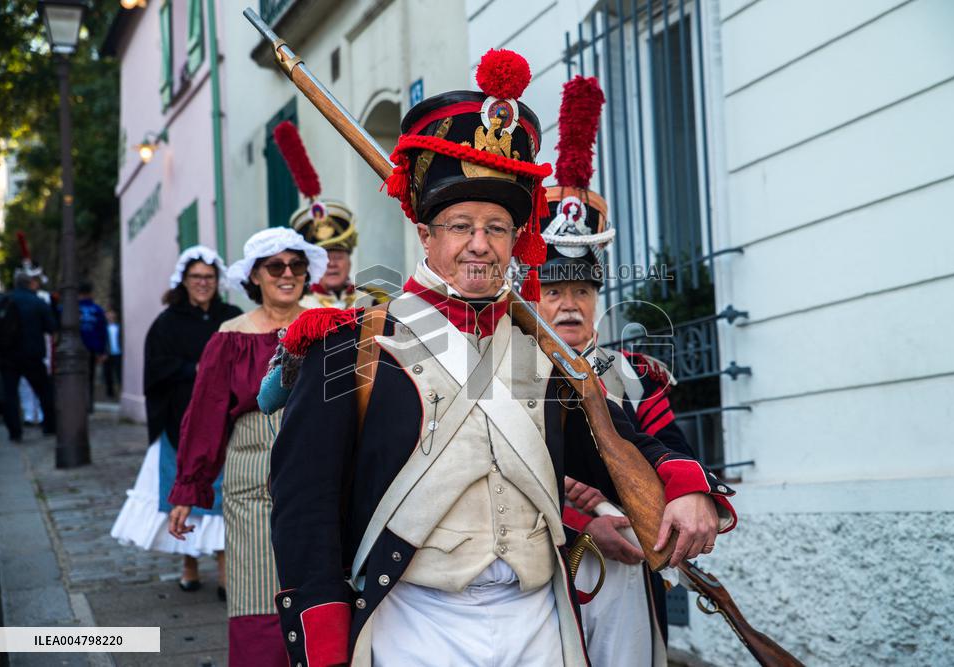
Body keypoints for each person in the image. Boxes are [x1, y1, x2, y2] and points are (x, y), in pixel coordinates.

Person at [267, 49, 737, 666]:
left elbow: (615, 442)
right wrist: (324, 645)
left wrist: (687, 485)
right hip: (415, 621)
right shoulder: (347, 345)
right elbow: (304, 508)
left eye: (496, 227)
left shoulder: (543, 352)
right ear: (425, 234)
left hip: (538, 620)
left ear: (518, 239)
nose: (479, 245)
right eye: (460, 225)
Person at [532, 75, 727, 667]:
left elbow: (674, 455)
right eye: (554, 290)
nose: (570, 304)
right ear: (531, 295)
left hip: (626, 577)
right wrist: (580, 520)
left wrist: (684, 493)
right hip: (535, 575)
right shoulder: (503, 374)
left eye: (583, 290)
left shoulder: (635, 375)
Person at [166, 228, 327, 666]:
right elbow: (205, 416)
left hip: (319, 479)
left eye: (296, 265)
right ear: (255, 276)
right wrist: (188, 489)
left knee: (319, 590)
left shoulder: (327, 326)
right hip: (252, 481)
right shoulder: (230, 337)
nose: (287, 274)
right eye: (275, 266)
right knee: (257, 591)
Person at [110, 246, 241, 595]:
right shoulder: (166, 323)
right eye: (196, 277)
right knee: (183, 493)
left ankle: (224, 570)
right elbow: (155, 368)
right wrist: (192, 369)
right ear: (184, 280)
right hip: (180, 422)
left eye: (209, 277)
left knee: (221, 496)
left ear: (217, 280)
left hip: (224, 422)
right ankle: (189, 565)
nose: (203, 283)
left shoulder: (231, 317)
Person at [271, 120, 388, 310]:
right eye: (324, 257)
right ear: (310, 264)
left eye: (338, 256)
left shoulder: (375, 301)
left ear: (349, 261)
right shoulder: (295, 306)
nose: (332, 264)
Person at [0, 268, 57, 442]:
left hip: (7, 355)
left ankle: (15, 432)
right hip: (32, 354)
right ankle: (49, 426)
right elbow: (51, 327)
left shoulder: (4, 300)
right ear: (30, 284)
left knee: (9, 394)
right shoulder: (37, 302)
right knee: (44, 391)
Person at [78, 282, 108, 411]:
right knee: (90, 377)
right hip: (91, 348)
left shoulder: (72, 308)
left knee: (76, 378)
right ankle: (88, 404)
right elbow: (102, 331)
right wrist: (102, 351)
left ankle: (78, 403)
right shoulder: (97, 310)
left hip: (76, 349)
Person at [103, 309, 122, 399]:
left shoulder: (119, 326)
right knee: (108, 374)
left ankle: (121, 391)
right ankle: (110, 393)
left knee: (119, 373)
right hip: (108, 354)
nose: (110, 316)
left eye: (111, 314)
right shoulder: (104, 328)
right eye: (108, 314)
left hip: (118, 353)